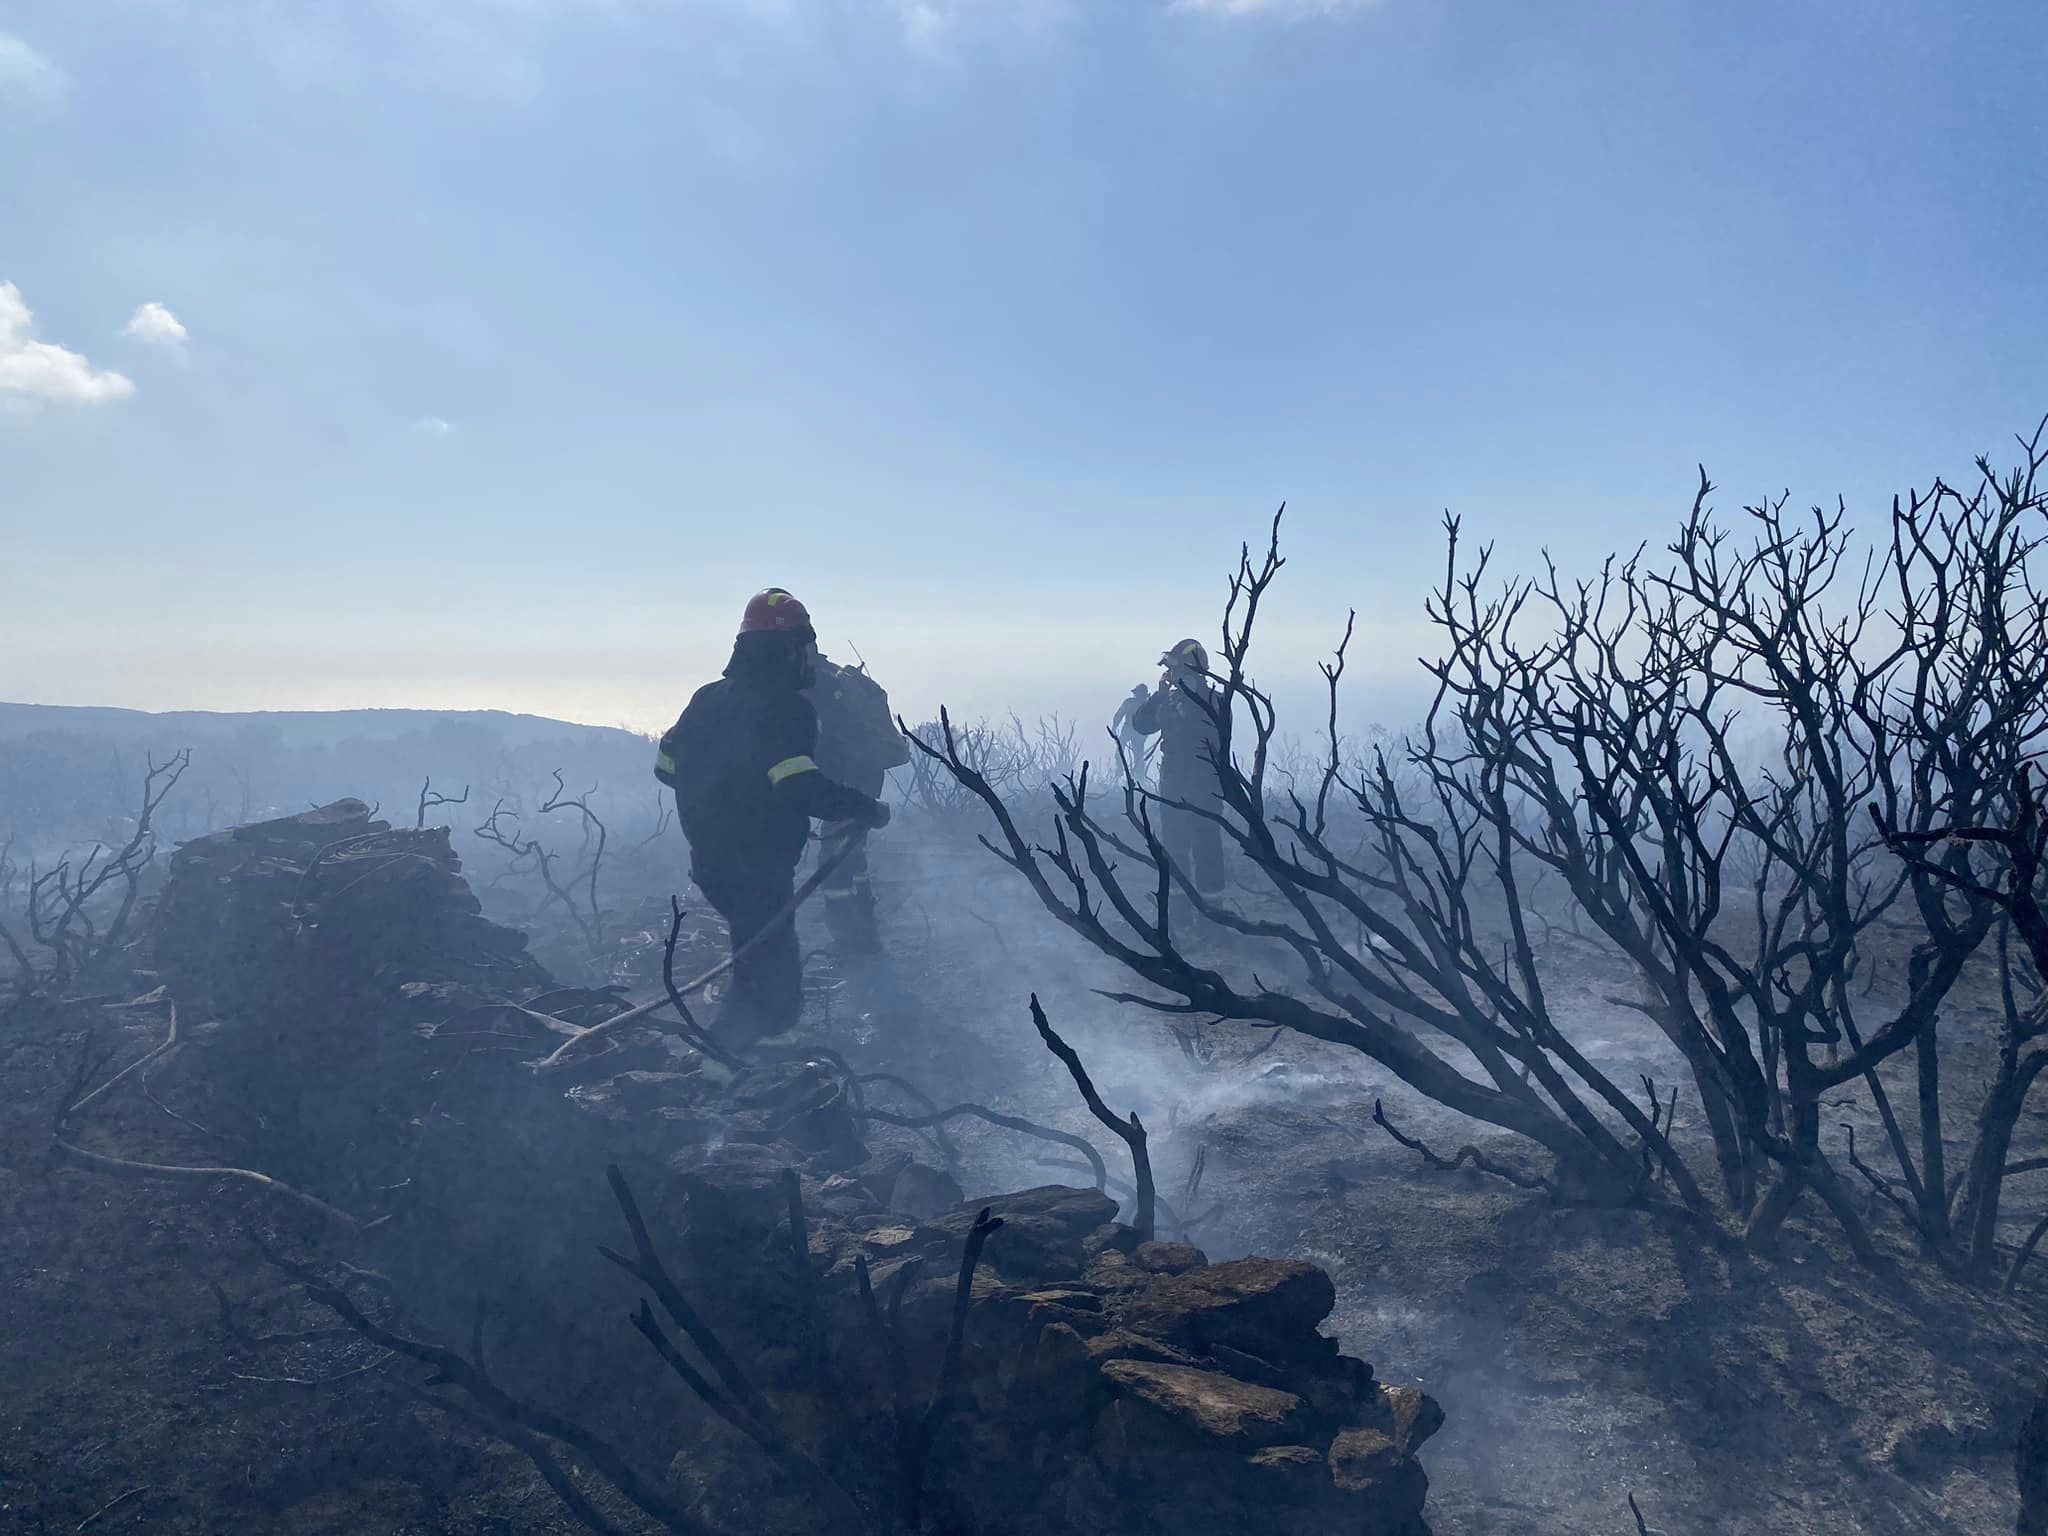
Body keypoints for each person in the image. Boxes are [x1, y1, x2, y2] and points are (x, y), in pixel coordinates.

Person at [654, 589, 890, 1051]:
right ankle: (726, 1069)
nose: (810, 660)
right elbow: (799, 786)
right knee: (770, 985)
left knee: (763, 964)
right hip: (756, 864)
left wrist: (720, 786)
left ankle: (755, 1067)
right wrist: (865, 807)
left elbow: (665, 767)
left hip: (711, 863)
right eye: (806, 648)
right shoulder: (788, 709)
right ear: (787, 651)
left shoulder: (707, 698)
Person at [805, 651, 910, 955]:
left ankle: (850, 938)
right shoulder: (840, 676)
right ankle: (864, 923)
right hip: (867, 774)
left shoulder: (812, 682)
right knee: (853, 849)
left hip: (845, 778)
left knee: (835, 857)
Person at [1128, 637, 1226, 894]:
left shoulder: (1215, 701)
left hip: (1205, 784)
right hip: (1173, 784)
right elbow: (1142, 726)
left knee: (1207, 845)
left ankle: (1213, 914)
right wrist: (1159, 698)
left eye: (1176, 670)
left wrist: (1186, 695)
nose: (1170, 675)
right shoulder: (1170, 700)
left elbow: (1204, 728)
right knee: (1174, 845)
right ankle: (1179, 912)